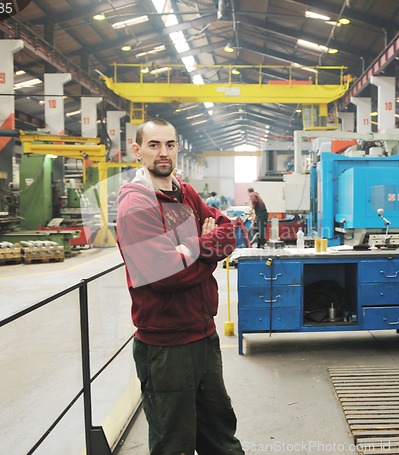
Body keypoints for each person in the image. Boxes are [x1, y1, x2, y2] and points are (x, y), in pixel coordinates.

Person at [115, 118, 244, 455]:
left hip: (203, 334)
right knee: (174, 443)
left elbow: (228, 231)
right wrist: (204, 247)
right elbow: (164, 276)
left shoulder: (184, 192)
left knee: (220, 433)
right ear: (138, 150)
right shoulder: (136, 206)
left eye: (169, 145)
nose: (163, 153)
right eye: (154, 145)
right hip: (166, 345)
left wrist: (189, 249)